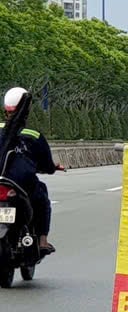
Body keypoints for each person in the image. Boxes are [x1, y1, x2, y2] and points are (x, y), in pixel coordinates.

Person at [2, 87, 60, 254]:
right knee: (42, 198)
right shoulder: (33, 135)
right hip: (22, 187)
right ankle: (42, 240)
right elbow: (47, 165)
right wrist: (51, 168)